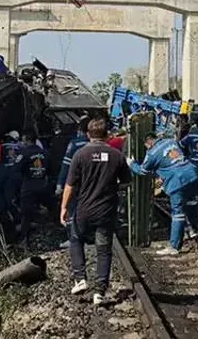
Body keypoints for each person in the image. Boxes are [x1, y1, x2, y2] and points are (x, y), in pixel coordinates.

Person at [61, 118, 131, 305]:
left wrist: (64, 207)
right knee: (103, 249)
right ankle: (99, 291)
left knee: (76, 239)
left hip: (84, 209)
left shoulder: (80, 154)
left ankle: (80, 278)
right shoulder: (116, 155)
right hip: (106, 210)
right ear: (107, 134)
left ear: (88, 134)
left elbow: (70, 185)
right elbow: (126, 181)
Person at [132, 132, 198, 255]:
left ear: (148, 143)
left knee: (177, 212)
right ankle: (192, 229)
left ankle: (174, 246)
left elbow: (143, 171)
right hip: (192, 173)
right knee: (190, 203)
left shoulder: (152, 153)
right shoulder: (171, 141)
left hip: (176, 181)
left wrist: (131, 164)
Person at [56, 116, 91, 248]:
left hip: (76, 183)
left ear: (80, 130)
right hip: (92, 183)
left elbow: (66, 165)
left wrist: (60, 184)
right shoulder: (97, 145)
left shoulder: (74, 144)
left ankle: (73, 238)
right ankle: (86, 235)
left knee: (72, 209)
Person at [17, 131, 51, 240]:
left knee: (25, 214)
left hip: (28, 187)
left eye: (23, 140)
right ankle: (46, 234)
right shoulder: (45, 153)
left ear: (27, 140)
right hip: (43, 185)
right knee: (45, 211)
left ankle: (24, 239)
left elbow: (16, 169)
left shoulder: (24, 154)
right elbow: (52, 169)